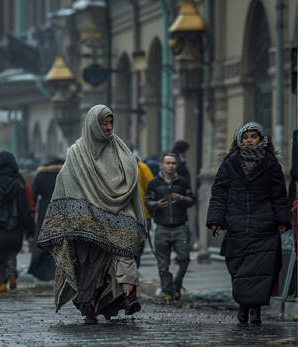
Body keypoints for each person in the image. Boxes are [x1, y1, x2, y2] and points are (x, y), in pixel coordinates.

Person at [37, 105, 146, 324]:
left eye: (110, 123)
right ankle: (89, 308)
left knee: (124, 256)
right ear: (92, 124)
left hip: (119, 217)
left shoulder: (121, 150)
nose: (107, 128)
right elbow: (65, 184)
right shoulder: (76, 153)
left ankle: (128, 296)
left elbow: (130, 180)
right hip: (86, 223)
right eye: (103, 123)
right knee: (89, 270)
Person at [206, 122, 290, 325]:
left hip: (264, 226)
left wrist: (282, 220)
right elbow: (219, 192)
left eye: (254, 136)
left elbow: (279, 195)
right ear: (239, 140)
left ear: (262, 139)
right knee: (239, 269)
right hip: (237, 225)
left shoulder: (271, 164)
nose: (249, 140)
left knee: (262, 270)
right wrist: (215, 219)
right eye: (246, 137)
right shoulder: (230, 163)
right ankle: (243, 307)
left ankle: (256, 310)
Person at [146, 153, 195, 303]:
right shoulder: (154, 183)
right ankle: (168, 293)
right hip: (161, 227)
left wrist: (180, 198)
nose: (171, 166)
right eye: (168, 163)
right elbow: (147, 201)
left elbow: (192, 199)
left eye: (173, 163)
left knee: (184, 259)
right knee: (163, 264)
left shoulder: (183, 182)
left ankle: (177, 284)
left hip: (180, 227)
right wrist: (156, 204)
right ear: (161, 165)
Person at [0, 151, 34, 292]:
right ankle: (11, 274)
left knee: (0, 254)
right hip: (15, 225)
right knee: (12, 253)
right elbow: (24, 209)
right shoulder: (19, 183)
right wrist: (30, 230)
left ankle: (2, 281)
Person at [28, 157, 64, 281]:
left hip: (45, 209)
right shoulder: (66, 173)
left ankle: (41, 269)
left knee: (44, 239)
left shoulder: (41, 175)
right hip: (62, 208)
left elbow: (33, 194)